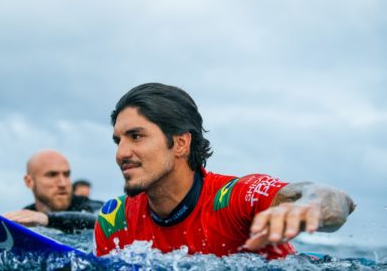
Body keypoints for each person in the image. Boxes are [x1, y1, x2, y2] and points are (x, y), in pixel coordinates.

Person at [94, 83, 355, 259]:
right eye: (118, 141)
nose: (121, 153)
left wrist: (307, 207)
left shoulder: (234, 199)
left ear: (181, 143)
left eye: (136, 136)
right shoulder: (114, 220)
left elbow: (335, 200)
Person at [4, 149, 103, 233]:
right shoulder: (27, 218)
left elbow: (103, 221)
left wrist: (47, 219)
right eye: (52, 175)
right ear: (29, 182)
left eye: (66, 175)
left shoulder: (89, 206)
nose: (63, 183)